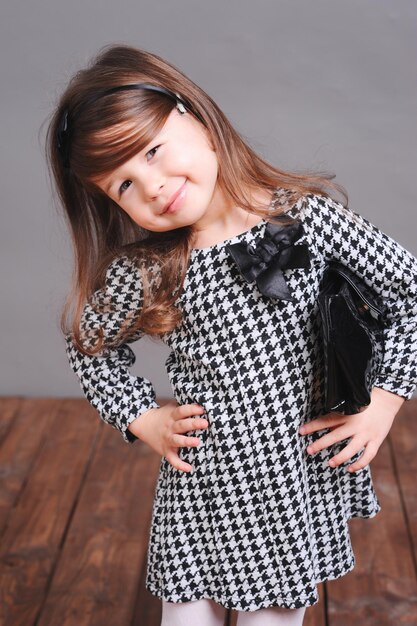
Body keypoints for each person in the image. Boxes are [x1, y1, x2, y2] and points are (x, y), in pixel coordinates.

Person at [44, 43, 417, 626]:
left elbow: (410, 296)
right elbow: (88, 344)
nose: (153, 186)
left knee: (271, 616)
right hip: (202, 484)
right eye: (123, 186)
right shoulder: (150, 269)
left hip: (291, 476)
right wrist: (142, 417)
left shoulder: (306, 220)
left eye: (153, 151)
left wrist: (385, 403)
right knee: (185, 617)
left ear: (196, 118)